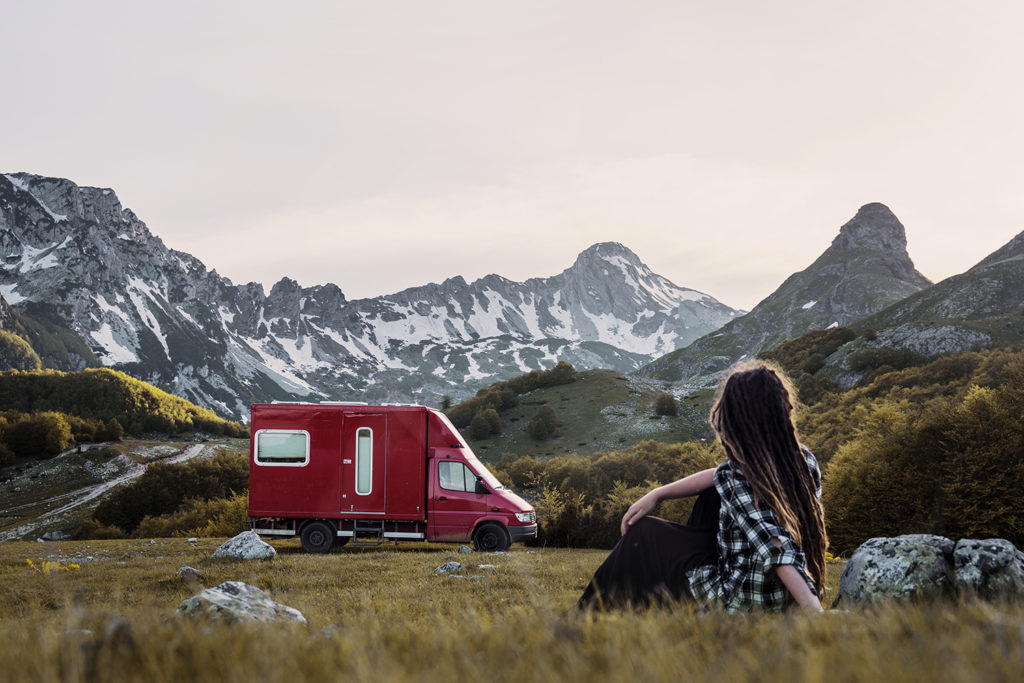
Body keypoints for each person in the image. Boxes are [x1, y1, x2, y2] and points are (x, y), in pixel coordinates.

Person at [577, 361, 827, 612]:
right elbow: (719, 473)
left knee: (645, 532)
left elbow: (776, 546)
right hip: (783, 596)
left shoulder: (738, 478)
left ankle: (584, 615)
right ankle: (640, 608)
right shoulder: (803, 461)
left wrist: (814, 613)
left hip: (739, 603)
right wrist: (658, 493)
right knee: (710, 497)